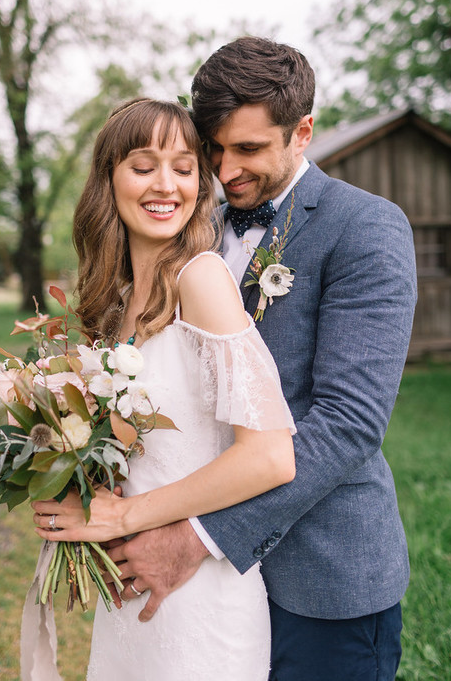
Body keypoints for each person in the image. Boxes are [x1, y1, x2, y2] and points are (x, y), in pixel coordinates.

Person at [98, 38, 418, 681]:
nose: (225, 169)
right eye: (212, 149)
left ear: (302, 131)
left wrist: (197, 536)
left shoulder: (367, 228)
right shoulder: (193, 224)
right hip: (207, 596)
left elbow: (349, 423)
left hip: (320, 574)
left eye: (247, 149)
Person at [31, 97, 297, 681]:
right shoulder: (116, 305)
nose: (166, 185)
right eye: (144, 165)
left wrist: (121, 520)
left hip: (201, 598)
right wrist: (69, 492)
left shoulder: (201, 278)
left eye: (183, 167)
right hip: (134, 594)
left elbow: (271, 457)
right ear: (109, 178)